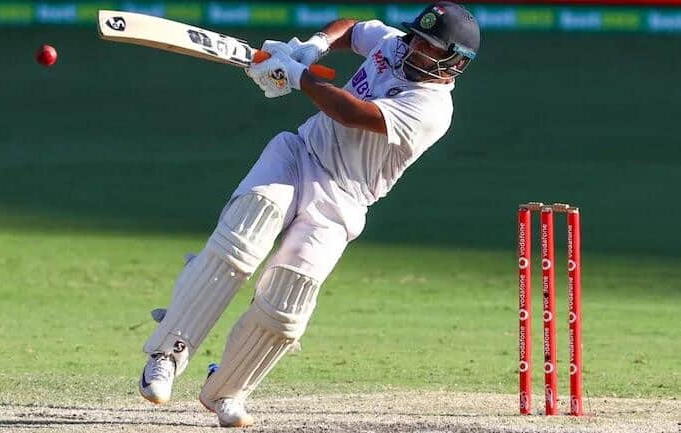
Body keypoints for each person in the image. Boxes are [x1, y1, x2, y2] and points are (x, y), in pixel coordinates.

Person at [138, 2, 480, 428]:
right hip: (299, 154)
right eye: (416, 39)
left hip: (344, 199)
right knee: (242, 240)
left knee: (287, 304)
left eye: (428, 48)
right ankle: (166, 354)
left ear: (454, 62)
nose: (414, 49)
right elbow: (353, 29)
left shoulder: (431, 109)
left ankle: (226, 389)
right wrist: (313, 47)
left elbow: (353, 113)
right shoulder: (394, 46)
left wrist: (298, 76)